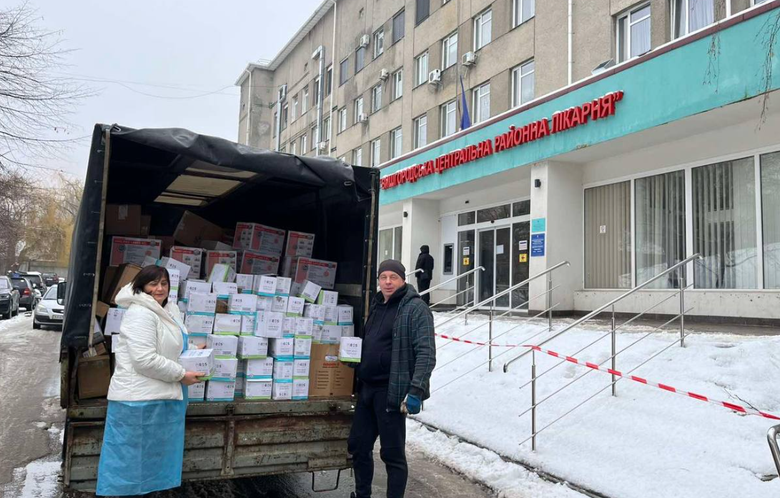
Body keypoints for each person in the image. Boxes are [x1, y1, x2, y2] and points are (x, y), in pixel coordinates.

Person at [96, 265, 204, 497]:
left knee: (152, 469)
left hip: (160, 398)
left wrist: (195, 351)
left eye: (164, 283)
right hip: (139, 403)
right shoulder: (140, 313)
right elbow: (144, 360)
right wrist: (181, 375)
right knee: (130, 469)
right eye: (153, 283)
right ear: (141, 286)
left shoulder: (167, 309)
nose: (159, 288)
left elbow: (168, 346)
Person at [348, 259, 436, 498]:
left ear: (403, 279)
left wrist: (416, 390)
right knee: (358, 446)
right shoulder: (377, 305)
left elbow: (426, 353)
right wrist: (355, 359)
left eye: (393, 277)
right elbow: (372, 342)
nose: (388, 282)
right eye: (383, 277)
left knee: (392, 454)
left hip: (391, 392)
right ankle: (362, 494)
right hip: (367, 390)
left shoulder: (416, 309)